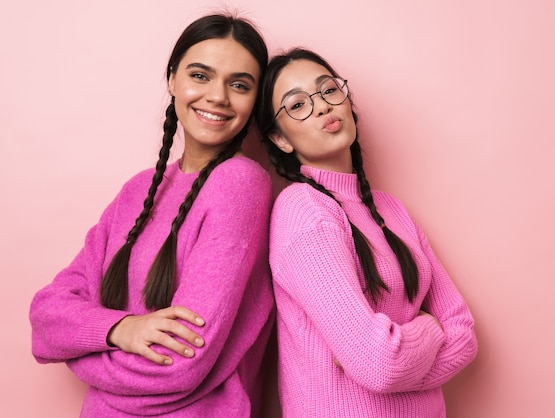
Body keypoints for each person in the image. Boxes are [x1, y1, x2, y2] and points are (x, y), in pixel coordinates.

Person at [29, 14, 275, 417]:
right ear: (172, 79)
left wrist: (82, 348)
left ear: (254, 101)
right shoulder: (140, 189)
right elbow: (46, 317)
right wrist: (120, 329)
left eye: (239, 84)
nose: (217, 96)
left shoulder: (241, 185)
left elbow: (177, 365)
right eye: (200, 75)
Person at [256, 47, 478, 417]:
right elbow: (378, 362)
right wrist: (429, 328)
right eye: (297, 105)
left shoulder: (392, 210)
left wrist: (402, 346)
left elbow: (464, 335)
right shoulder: (304, 211)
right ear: (281, 139)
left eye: (328, 90)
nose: (324, 106)